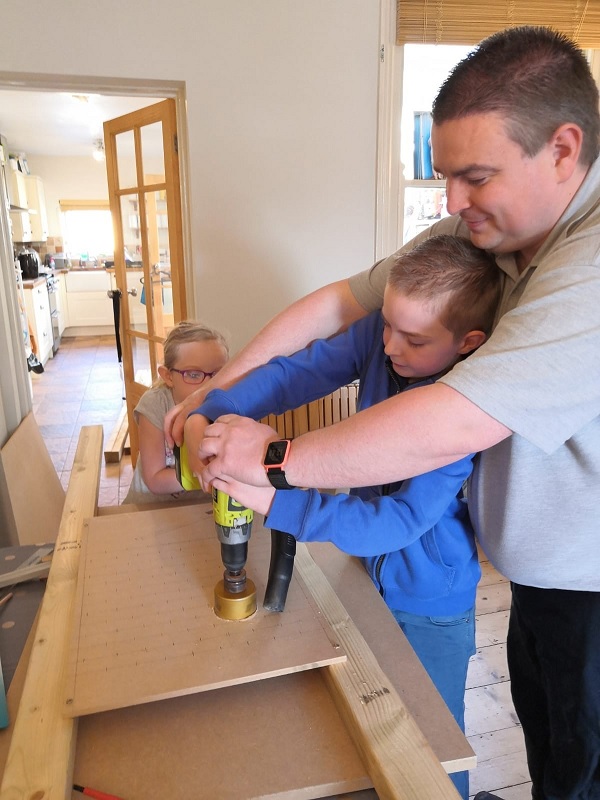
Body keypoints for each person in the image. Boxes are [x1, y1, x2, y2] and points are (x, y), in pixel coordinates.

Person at [169, 26, 600, 800]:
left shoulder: (587, 265)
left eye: (474, 176)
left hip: (586, 585)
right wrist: (217, 396)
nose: (452, 204)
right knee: (549, 747)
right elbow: (336, 313)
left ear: (563, 149)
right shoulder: (484, 243)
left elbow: (454, 425)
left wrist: (271, 470)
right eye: (445, 177)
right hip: (537, 576)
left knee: (553, 765)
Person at [190, 234, 501, 799]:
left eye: (412, 337)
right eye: (386, 325)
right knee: (373, 727)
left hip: (432, 605)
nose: (389, 346)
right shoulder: (381, 340)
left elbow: (398, 521)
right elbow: (292, 374)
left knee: (435, 752)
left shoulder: (466, 404)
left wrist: (277, 500)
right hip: (364, 578)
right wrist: (216, 409)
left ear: (467, 342)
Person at [123, 321, 228, 505]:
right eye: (194, 375)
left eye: (218, 374)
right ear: (168, 376)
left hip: (202, 509)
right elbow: (155, 480)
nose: (208, 386)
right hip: (150, 510)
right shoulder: (155, 405)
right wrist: (209, 474)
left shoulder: (228, 401)